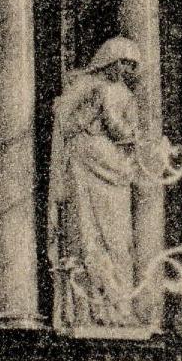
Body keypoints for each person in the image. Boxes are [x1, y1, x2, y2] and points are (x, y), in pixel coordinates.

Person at [46, 35, 147, 329]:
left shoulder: (120, 93)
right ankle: (94, 308)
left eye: (133, 66)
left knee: (117, 239)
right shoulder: (95, 88)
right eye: (125, 63)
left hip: (113, 169)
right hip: (90, 166)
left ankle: (118, 305)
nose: (128, 70)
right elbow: (107, 127)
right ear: (110, 62)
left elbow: (126, 130)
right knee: (90, 234)